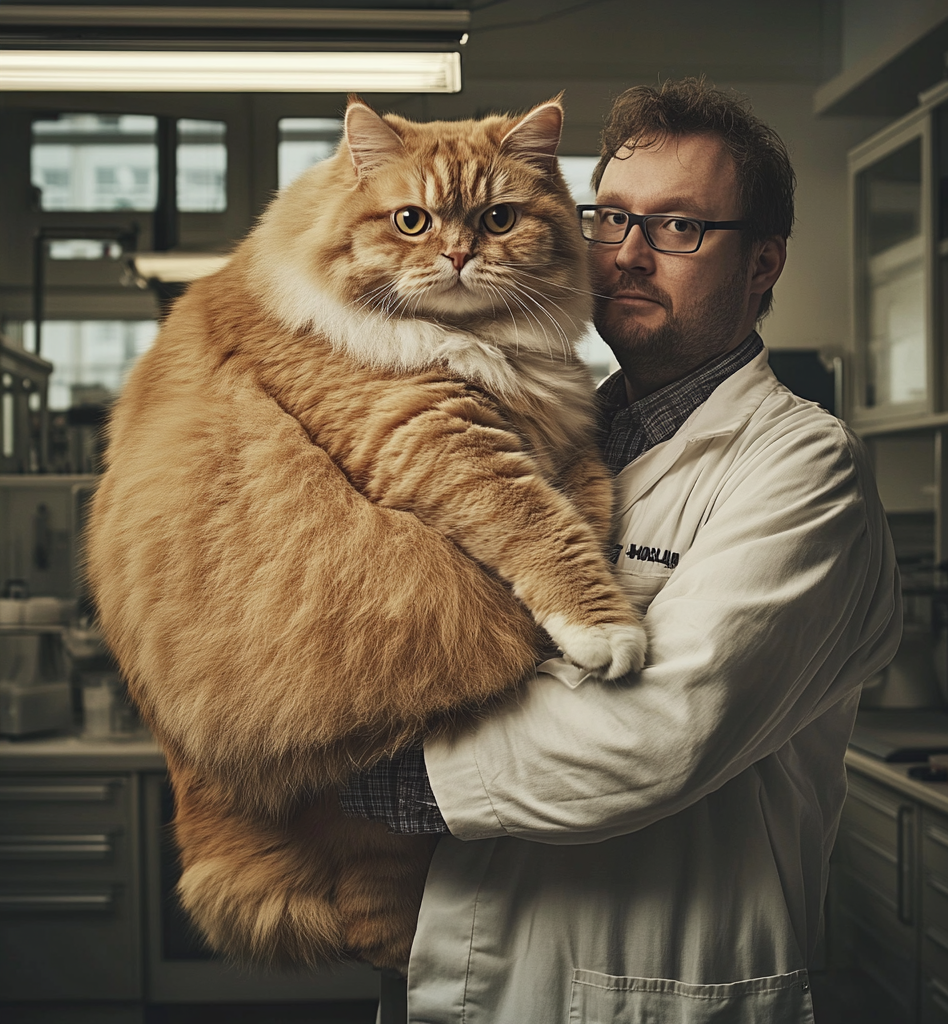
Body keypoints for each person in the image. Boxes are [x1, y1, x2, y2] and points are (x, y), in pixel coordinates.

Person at [341, 78, 902, 1023]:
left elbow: (654, 737)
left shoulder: (806, 469)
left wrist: (375, 774)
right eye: (610, 218)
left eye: (679, 228)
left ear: (763, 263)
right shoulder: (552, 435)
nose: (630, 255)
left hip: (652, 986)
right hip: (473, 962)